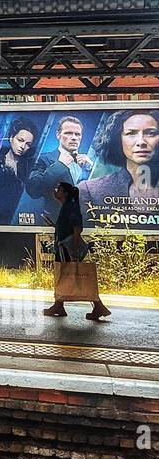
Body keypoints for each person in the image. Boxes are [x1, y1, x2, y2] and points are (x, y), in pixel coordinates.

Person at [42, 182, 110, 322]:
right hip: (65, 247)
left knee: (70, 276)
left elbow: (77, 228)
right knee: (65, 276)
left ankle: (97, 306)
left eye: (58, 189)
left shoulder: (70, 207)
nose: (55, 191)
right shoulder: (67, 207)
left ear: (65, 193)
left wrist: (74, 250)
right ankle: (59, 305)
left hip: (68, 248)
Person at [79, 108, 159, 222]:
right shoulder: (90, 191)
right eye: (131, 133)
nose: (141, 142)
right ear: (117, 140)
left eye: (150, 133)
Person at [0, 118, 38, 223]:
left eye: (28, 144)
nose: (23, 146)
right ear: (11, 138)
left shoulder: (29, 165)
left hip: (14, 218)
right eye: (20, 140)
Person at [27, 115, 93, 204]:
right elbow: (34, 191)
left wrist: (91, 169)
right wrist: (60, 165)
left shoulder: (88, 163)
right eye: (68, 133)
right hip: (57, 216)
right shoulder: (43, 159)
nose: (74, 138)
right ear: (58, 135)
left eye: (77, 134)